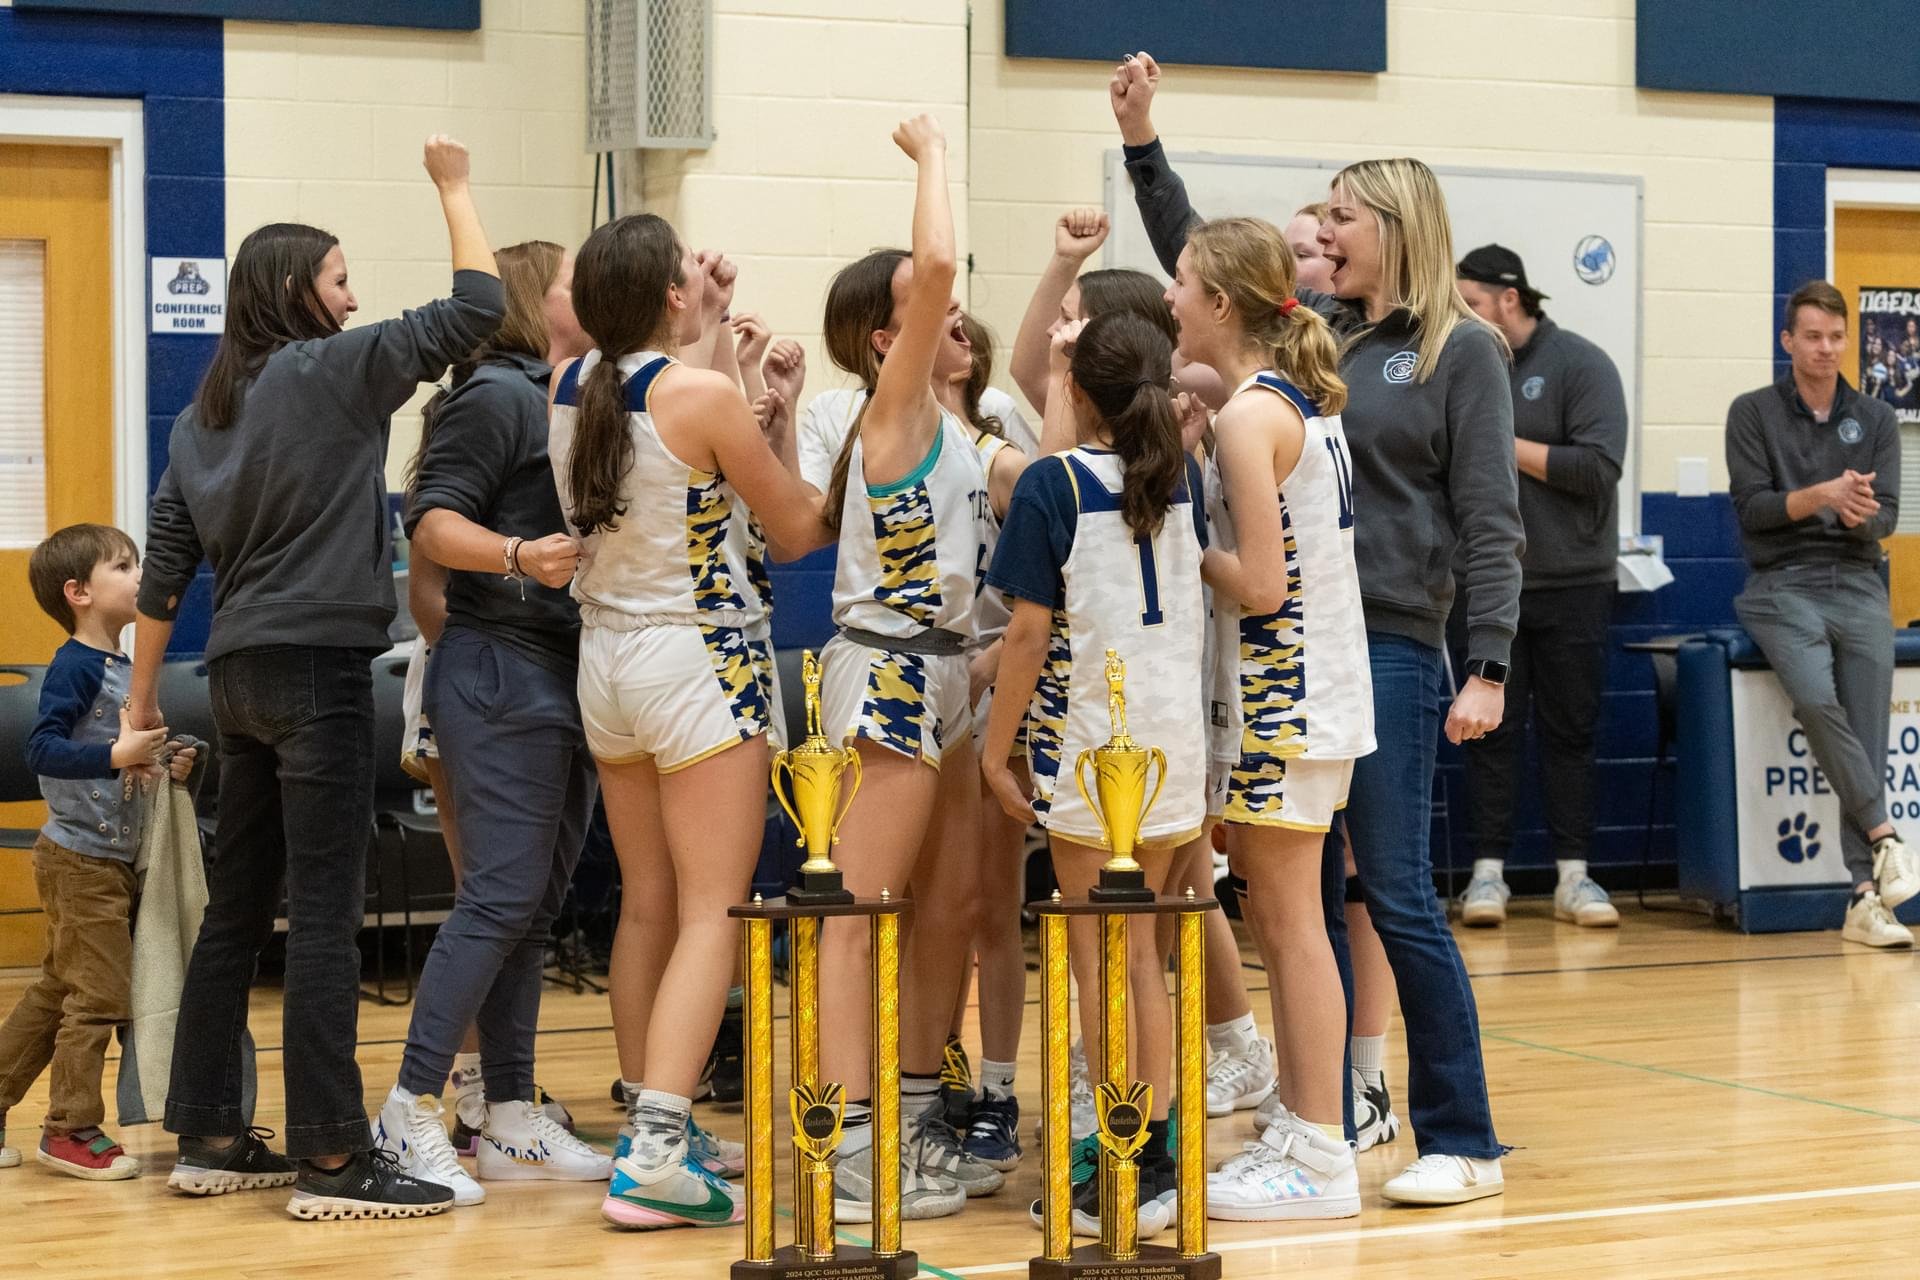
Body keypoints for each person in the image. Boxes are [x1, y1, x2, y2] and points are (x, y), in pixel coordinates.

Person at [1112, 52, 1521, 1205]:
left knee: (1391, 890)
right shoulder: (1320, 338)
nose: (1323, 235)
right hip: (1295, 642)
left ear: (1395, 227)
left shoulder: (1460, 350)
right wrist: (1144, 146)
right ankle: (1320, 1120)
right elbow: (1210, 269)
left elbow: (1492, 519)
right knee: (1296, 895)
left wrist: (1488, 662)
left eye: (1342, 218)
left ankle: (1464, 1135)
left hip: (1391, 642)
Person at [134, 135, 503, 1221]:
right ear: (298, 290)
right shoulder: (333, 370)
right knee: (329, 919)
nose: (352, 298)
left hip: (234, 678)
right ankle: (335, 1160)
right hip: (317, 672)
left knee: (237, 913)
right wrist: (452, 186)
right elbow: (478, 304)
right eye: (340, 279)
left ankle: (209, 1133)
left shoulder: (198, 418)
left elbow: (162, 577)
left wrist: (143, 703)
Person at [546, 214, 833, 1230]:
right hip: (695, 658)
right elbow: (796, 530)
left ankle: (649, 1122)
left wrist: (709, 325)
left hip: (606, 661)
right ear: (671, 293)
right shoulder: (703, 396)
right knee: (717, 906)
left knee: (648, 902)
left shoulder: (569, 383)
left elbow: (665, 417)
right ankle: (659, 1157)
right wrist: (852, 459)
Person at [373, 240, 609, 1205]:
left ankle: (509, 1115)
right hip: (499, 670)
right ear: (531, 303)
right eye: (570, 284)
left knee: (531, 908)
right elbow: (430, 523)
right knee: (497, 900)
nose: (587, 294)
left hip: (562, 672)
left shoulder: (572, 395)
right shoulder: (498, 394)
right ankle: (407, 1110)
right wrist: (517, 555)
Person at [812, 115, 1003, 1223]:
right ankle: (846, 1142)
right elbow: (935, 263)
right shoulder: (890, 410)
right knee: (858, 912)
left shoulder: (958, 427)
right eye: (921, 304)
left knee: (954, 903)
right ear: (887, 338)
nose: (947, 304)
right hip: (884, 666)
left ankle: (920, 1108)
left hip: (948, 675)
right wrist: (933, 155)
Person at [982, 308, 1208, 1241]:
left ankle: (1119, 1165)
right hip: (1173, 750)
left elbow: (1027, 634)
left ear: (1075, 391)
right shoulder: (1179, 473)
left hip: (1096, 748)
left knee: (1099, 967)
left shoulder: (1053, 484)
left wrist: (994, 749)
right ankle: (1151, 1152)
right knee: (1141, 959)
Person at [1163, 217, 1372, 1220]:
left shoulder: (1253, 417)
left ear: (1218, 301)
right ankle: (1302, 1119)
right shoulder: (1277, 401)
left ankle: (1322, 1150)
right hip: (1297, 694)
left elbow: (1260, 582)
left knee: (1291, 928)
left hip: (1288, 698)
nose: (1169, 297)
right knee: (1283, 922)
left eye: (1179, 280)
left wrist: (1176, 541)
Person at [1725, 280, 1918, 948]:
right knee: (1814, 699)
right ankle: (1886, 836)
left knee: (1868, 730)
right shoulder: (1752, 412)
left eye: (1837, 337)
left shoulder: (1877, 418)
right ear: (1788, 340)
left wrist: (1862, 514)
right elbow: (1753, 510)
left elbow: (1888, 517)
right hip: (1782, 582)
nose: (1826, 348)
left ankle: (1864, 895)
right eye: (1813, 336)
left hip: (1859, 580)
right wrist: (1823, 495)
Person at [1, 526, 197, 1181]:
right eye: (123, 566)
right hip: (80, 862)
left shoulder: (122, 667)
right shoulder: (76, 665)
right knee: (100, 994)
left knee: (58, 990)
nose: (139, 575)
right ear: (78, 592)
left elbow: (130, 761)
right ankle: (70, 1129)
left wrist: (166, 761)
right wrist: (118, 753)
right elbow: (43, 749)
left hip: (107, 859)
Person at [1451, 244, 1629, 929]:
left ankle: (1574, 876)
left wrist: (1497, 442)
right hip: (1484, 584)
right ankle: (1487, 874)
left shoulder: (1582, 364)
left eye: (1472, 302)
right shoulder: (1462, 361)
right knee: (1486, 731)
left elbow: (1596, 469)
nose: (1463, 314)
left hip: (1573, 583)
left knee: (1570, 732)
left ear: (1510, 299)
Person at [952, 311, 1034, 1175]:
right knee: (921, 906)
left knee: (990, 905)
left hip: (989, 686)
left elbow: (1052, 577)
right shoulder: (872, 438)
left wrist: (997, 656)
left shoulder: (998, 452)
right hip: (901, 689)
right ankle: (928, 1073)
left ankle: (999, 1089)